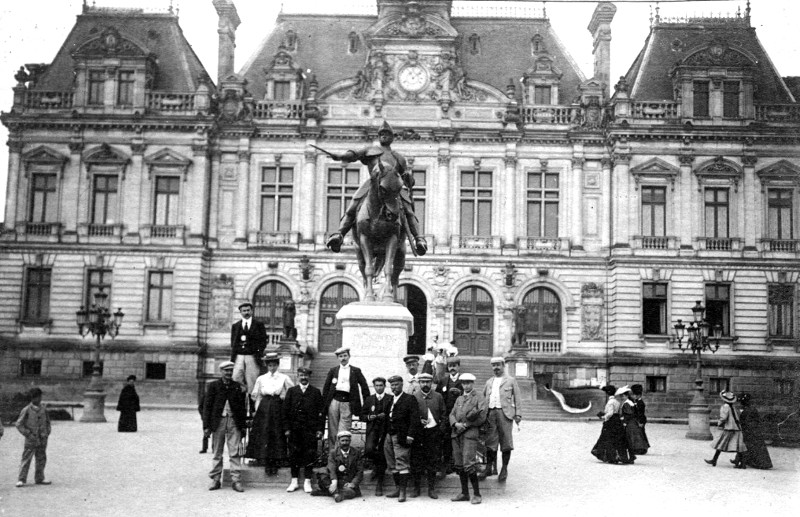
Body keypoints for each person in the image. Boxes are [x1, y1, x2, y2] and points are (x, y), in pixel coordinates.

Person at [324, 120, 427, 256]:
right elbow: (354, 155)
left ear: (392, 137)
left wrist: (408, 178)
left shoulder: (399, 158)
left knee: (409, 210)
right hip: (373, 185)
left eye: (387, 134)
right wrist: (340, 156)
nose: (383, 136)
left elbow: (407, 179)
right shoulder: (370, 151)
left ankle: (418, 239)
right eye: (381, 134)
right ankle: (339, 235)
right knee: (354, 204)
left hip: (394, 190)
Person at [203, 361, 247, 492]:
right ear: (221, 371)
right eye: (225, 370)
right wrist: (206, 426)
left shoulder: (237, 386)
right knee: (217, 452)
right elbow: (207, 407)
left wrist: (243, 424)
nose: (228, 373)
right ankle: (216, 479)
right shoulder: (213, 386)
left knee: (234, 452)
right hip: (218, 422)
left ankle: (236, 480)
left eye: (230, 371)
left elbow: (241, 408)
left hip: (234, 422)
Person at [248, 353, 294, 475]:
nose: (272, 368)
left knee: (277, 433)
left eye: (274, 365)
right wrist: (258, 410)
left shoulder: (284, 378)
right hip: (264, 407)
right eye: (270, 365)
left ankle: (277, 459)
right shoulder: (261, 378)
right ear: (267, 366)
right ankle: (264, 459)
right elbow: (257, 396)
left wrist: (284, 404)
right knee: (264, 432)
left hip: (278, 406)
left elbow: (291, 393)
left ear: (278, 365)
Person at [283, 366, 325, 493]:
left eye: (306, 375)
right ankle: (294, 481)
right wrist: (287, 428)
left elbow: (321, 413)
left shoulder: (315, 392)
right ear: (297, 376)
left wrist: (319, 429)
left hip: (310, 429)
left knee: (309, 454)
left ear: (309, 377)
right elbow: (285, 412)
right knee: (294, 454)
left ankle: (307, 481)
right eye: (301, 375)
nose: (303, 378)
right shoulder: (291, 391)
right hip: (294, 429)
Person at [481, 357, 522, 481]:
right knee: (490, 442)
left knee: (506, 443)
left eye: (498, 365)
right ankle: (489, 467)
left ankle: (504, 469)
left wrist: (518, 414)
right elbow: (484, 398)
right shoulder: (489, 382)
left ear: (503, 365)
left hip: (505, 414)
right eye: (493, 365)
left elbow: (518, 398)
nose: (496, 368)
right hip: (491, 414)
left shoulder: (510, 381)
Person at [449, 373, 487, 505]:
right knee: (459, 465)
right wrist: (455, 424)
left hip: (470, 434)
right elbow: (452, 414)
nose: (466, 385)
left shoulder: (479, 397)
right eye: (464, 383)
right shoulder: (459, 398)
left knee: (469, 464)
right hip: (456, 434)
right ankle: (464, 493)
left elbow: (482, 416)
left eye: (469, 382)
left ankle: (477, 494)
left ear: (473, 383)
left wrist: (465, 425)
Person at [322, 346, 370, 448]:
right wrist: (324, 405)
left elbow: (364, 386)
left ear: (349, 356)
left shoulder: (355, 370)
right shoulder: (333, 370)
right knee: (332, 429)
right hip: (334, 401)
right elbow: (326, 388)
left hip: (348, 402)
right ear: (338, 358)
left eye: (345, 355)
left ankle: (343, 454)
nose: (343, 358)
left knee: (344, 430)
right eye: (340, 356)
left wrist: (367, 403)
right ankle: (333, 454)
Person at [383, 375, 421, 503]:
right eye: (392, 385)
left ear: (402, 384)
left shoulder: (409, 399)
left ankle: (403, 492)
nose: (394, 387)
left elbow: (415, 419)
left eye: (396, 384)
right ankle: (397, 489)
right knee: (392, 463)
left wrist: (410, 435)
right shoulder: (390, 400)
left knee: (402, 462)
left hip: (402, 436)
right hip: (389, 435)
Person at [411, 372, 446, 499]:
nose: (425, 384)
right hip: (419, 434)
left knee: (432, 460)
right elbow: (411, 415)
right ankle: (416, 488)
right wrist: (419, 421)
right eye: (422, 382)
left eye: (427, 382)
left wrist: (440, 430)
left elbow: (444, 414)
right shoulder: (414, 397)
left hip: (434, 433)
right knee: (417, 461)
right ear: (419, 383)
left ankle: (431, 489)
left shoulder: (438, 397)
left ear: (431, 383)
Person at [230, 302, 268, 406]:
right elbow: (233, 342)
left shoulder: (258, 325)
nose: (246, 312)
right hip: (239, 356)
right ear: (240, 312)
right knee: (236, 378)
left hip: (252, 356)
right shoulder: (236, 326)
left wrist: (258, 352)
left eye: (248, 310)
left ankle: (252, 408)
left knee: (252, 380)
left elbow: (263, 341)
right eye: (244, 311)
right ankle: (239, 404)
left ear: (251, 311)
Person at [361, 376, 392, 496]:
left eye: (381, 385)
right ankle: (376, 466)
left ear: (384, 386)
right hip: (373, 430)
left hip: (385, 430)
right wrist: (369, 417)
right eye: (377, 385)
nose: (379, 387)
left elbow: (394, 413)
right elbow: (362, 415)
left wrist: (387, 416)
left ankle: (379, 483)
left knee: (382, 452)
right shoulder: (369, 399)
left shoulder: (390, 398)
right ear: (374, 386)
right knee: (369, 450)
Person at [15, 387, 51, 488]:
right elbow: (18, 424)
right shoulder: (26, 410)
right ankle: (21, 479)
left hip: (42, 438)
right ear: (32, 398)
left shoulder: (43, 409)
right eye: (36, 397)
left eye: (40, 397)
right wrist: (27, 433)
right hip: (31, 439)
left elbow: (48, 422)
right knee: (26, 459)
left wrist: (47, 432)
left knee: (41, 458)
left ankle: (39, 478)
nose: (39, 399)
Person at [436, 356, 464, 477]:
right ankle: (446, 465)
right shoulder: (443, 380)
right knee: (446, 440)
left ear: (458, 367)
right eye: (450, 366)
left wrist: (460, 393)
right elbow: (437, 396)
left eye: (454, 366)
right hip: (446, 416)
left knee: (459, 440)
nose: (452, 368)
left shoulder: (464, 380)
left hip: (459, 416)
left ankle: (459, 465)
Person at [591, 385, 631, 464]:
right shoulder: (617, 401)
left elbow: (610, 413)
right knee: (617, 439)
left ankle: (611, 457)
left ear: (607, 393)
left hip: (611, 422)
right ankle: (619, 456)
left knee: (607, 439)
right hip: (617, 421)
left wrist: (603, 417)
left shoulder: (610, 402)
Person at [706, 390, 747, 467]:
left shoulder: (725, 406)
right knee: (738, 445)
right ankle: (743, 464)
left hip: (729, 428)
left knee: (721, 443)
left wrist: (719, 424)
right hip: (736, 427)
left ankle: (714, 460)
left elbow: (723, 417)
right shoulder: (733, 406)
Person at [324, 431, 365, 502]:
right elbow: (331, 468)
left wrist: (353, 483)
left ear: (350, 441)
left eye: (347, 440)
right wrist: (334, 482)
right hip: (337, 480)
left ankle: (335, 493)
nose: (345, 443)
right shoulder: (333, 452)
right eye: (342, 440)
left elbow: (360, 471)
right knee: (323, 475)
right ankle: (336, 494)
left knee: (350, 491)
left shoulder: (356, 452)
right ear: (338, 441)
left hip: (348, 482)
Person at [736, 393, 772, 469]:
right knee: (756, 446)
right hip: (755, 430)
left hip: (749, 431)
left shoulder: (746, 410)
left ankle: (751, 462)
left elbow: (745, 421)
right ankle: (759, 462)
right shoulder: (752, 408)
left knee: (748, 446)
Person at [618, 386, 648, 457]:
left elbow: (630, 413)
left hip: (632, 421)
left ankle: (638, 448)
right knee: (637, 434)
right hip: (634, 420)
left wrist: (624, 420)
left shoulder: (628, 403)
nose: (622, 398)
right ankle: (638, 448)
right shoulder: (631, 402)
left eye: (623, 396)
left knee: (633, 434)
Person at [630, 384, 649, 453]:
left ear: (638, 395)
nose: (634, 396)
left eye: (635, 395)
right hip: (638, 420)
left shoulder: (640, 403)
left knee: (641, 434)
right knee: (639, 434)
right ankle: (641, 447)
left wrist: (640, 422)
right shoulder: (637, 402)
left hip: (640, 420)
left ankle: (643, 448)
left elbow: (640, 413)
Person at [198, 386, 208, 453]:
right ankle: (204, 448)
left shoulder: (216, 395)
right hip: (206, 417)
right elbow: (200, 407)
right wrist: (203, 416)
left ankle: (214, 447)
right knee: (205, 433)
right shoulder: (205, 396)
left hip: (214, 417)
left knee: (216, 433)